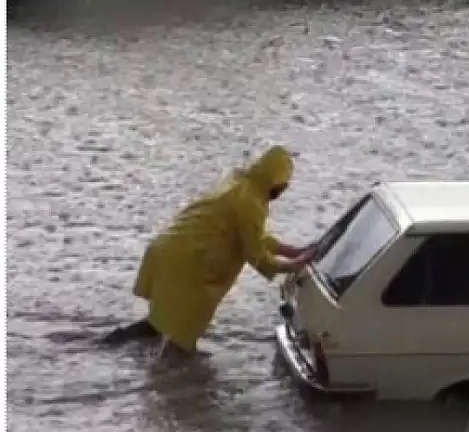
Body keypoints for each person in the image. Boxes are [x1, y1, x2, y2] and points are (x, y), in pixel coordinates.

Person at [102, 145, 315, 355]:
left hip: (170, 248)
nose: (283, 191)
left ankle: (111, 345)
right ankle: (176, 379)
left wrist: (291, 251)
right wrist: (294, 265)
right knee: (182, 336)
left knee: (162, 321)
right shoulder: (250, 202)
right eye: (283, 185)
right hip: (188, 263)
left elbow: (251, 236)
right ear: (275, 181)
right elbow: (256, 255)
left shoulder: (241, 183)